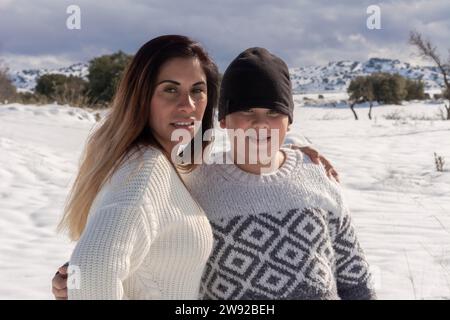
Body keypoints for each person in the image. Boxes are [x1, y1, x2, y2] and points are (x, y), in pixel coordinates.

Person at [52, 37, 339, 300]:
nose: (187, 105)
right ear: (140, 96)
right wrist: (85, 278)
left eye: (197, 91)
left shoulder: (166, 164)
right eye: (170, 89)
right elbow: (92, 273)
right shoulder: (145, 173)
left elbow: (109, 260)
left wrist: (291, 148)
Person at [182, 47, 376, 299]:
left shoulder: (316, 175)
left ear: (290, 120)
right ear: (224, 120)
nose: (260, 123)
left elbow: (356, 281)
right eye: (246, 111)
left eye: (273, 112)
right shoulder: (196, 187)